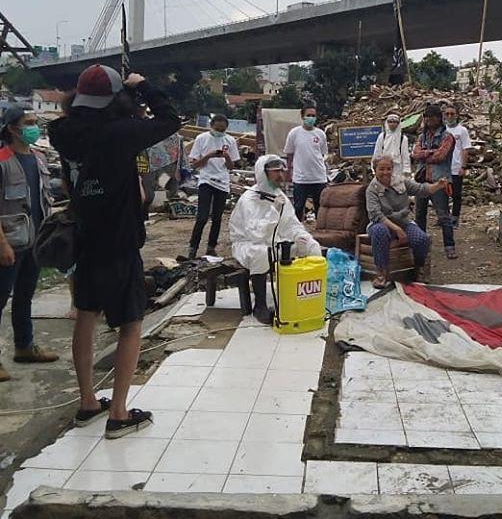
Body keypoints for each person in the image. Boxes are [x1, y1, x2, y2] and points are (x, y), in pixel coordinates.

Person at [49, 65, 180, 438]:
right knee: (131, 324)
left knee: (86, 317)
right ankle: (119, 413)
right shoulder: (120, 133)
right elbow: (169, 120)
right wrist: (144, 85)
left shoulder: (62, 133)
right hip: (119, 241)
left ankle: (88, 401)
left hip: (85, 240)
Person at [0, 107, 58, 382]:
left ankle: (24, 346)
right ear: (13, 128)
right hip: (10, 242)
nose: (34, 128)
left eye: (36, 123)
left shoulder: (38, 158)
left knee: (24, 297)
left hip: (34, 240)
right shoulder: (2, 160)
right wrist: (2, 244)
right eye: (29, 123)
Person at [229, 155, 322, 324]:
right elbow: (256, 235)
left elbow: (291, 225)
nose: (281, 175)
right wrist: (274, 212)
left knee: (312, 246)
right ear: (263, 173)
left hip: (277, 242)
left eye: (281, 170)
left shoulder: (280, 196)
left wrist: (302, 237)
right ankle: (260, 306)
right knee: (262, 253)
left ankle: (309, 297)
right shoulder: (249, 199)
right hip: (248, 245)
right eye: (275, 171)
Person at [366, 155, 448, 288]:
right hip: (382, 223)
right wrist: (397, 230)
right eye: (381, 169)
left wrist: (438, 185)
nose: (385, 172)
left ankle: (419, 268)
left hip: (404, 221)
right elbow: (376, 215)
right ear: (375, 170)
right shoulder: (372, 190)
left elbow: (421, 189)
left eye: (388, 169)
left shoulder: (400, 182)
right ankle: (382, 273)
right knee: (379, 232)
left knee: (421, 239)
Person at [186, 114, 240, 259]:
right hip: (206, 180)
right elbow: (195, 164)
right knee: (202, 217)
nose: (219, 132)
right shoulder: (201, 139)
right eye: (217, 129)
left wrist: (226, 156)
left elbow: (231, 167)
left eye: (222, 130)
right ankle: (193, 247)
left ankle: (211, 247)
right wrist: (209, 156)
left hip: (222, 182)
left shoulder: (230, 141)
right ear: (211, 126)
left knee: (217, 217)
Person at [412, 104, 457, 259]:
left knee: (443, 215)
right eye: (426, 117)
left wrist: (425, 154)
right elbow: (415, 154)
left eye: (432, 117)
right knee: (419, 215)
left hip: (439, 182)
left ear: (439, 118)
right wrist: (430, 152)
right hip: (422, 181)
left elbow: (441, 156)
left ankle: (449, 246)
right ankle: (420, 245)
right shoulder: (421, 137)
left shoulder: (447, 137)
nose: (428, 120)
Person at [284, 104, 328, 222]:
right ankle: (297, 231)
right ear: (302, 116)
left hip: (318, 177)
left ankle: (321, 232)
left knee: (320, 207)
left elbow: (322, 154)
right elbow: (289, 154)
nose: (311, 118)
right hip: (301, 178)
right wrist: (288, 171)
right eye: (308, 115)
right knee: (298, 207)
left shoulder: (320, 134)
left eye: (313, 116)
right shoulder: (294, 133)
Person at [442, 103, 471, 227]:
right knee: (442, 194)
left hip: (456, 167)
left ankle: (455, 218)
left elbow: (465, 149)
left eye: (452, 114)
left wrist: (463, 167)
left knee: (456, 195)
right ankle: (444, 218)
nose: (450, 116)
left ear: (457, 115)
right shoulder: (442, 130)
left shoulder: (462, 130)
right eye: (447, 114)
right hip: (443, 168)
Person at [371, 113, 411, 185]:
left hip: (398, 168)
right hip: (384, 168)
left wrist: (406, 170)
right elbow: (377, 153)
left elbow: (405, 155)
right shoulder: (382, 136)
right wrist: (374, 168)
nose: (392, 124)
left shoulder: (403, 138)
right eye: (390, 122)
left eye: (395, 122)